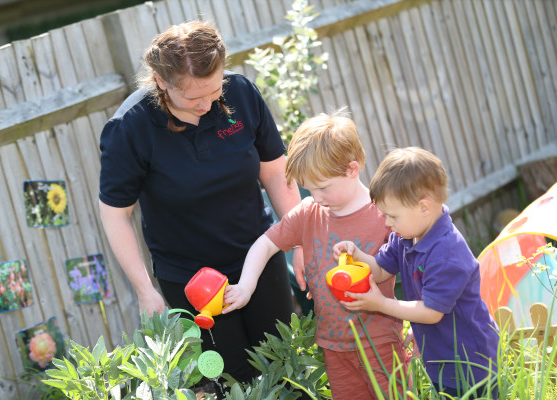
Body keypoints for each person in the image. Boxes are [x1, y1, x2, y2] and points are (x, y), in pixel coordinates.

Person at [98, 20, 303, 384]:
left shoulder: (240, 94)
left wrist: (298, 240)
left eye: (214, 90)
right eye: (194, 98)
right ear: (161, 82)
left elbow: (274, 172)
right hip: (191, 281)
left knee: (286, 369)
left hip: (259, 256)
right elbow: (116, 216)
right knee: (228, 381)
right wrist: (145, 291)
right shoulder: (130, 129)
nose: (208, 104)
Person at [223, 111, 409, 400]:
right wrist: (245, 286)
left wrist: (421, 327)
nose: (317, 197)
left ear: (352, 169)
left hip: (381, 342)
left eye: (323, 188)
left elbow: (414, 269)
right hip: (333, 347)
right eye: (309, 189)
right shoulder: (310, 212)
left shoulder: (384, 214)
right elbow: (266, 243)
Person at [334, 147, 499, 399]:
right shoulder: (405, 237)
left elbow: (431, 312)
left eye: (393, 216)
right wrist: (357, 255)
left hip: (471, 364)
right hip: (442, 358)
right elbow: (379, 269)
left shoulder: (447, 252)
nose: (387, 223)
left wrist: (381, 303)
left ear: (424, 206)